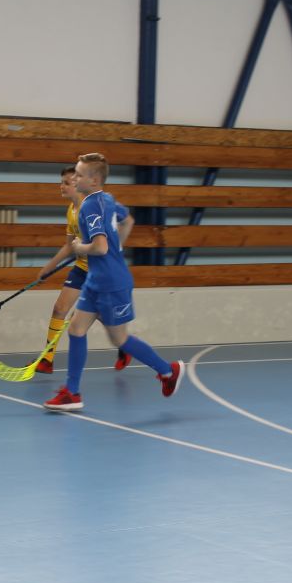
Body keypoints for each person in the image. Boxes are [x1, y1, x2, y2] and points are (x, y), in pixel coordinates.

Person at [44, 153, 182, 411]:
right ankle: (72, 393)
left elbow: (100, 247)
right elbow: (127, 220)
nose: (74, 178)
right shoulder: (106, 199)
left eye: (79, 175)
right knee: (76, 329)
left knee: (120, 340)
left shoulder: (89, 206)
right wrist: (117, 248)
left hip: (111, 283)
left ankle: (168, 370)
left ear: (94, 181)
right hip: (96, 280)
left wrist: (79, 247)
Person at [34, 165, 129, 375]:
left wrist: (106, 248)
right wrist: (48, 268)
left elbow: (111, 234)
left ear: (77, 184)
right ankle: (47, 360)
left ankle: (125, 346)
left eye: (66, 183)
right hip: (81, 268)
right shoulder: (71, 210)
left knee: (95, 316)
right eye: (61, 182)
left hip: (99, 271)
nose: (62, 186)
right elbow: (69, 246)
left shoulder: (93, 207)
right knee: (60, 308)